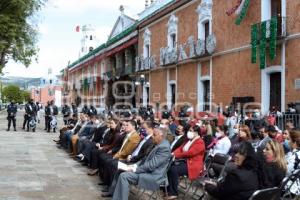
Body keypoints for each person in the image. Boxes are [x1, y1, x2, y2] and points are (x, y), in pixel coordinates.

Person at [111, 126, 172, 200]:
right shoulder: (158, 143)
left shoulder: (164, 148)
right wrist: (134, 166)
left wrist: (135, 170)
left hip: (153, 175)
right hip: (147, 170)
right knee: (120, 170)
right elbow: (145, 159)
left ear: (161, 136)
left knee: (124, 176)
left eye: (154, 135)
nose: (152, 137)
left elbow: (151, 166)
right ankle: (113, 194)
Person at [167, 125, 205, 199]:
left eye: (191, 131)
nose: (189, 132)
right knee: (170, 166)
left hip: (193, 165)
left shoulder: (200, 142)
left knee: (174, 170)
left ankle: (174, 193)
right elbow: (180, 149)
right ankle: (169, 188)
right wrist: (173, 153)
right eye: (189, 130)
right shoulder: (188, 140)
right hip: (184, 161)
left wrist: (177, 155)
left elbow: (190, 153)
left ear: (196, 133)